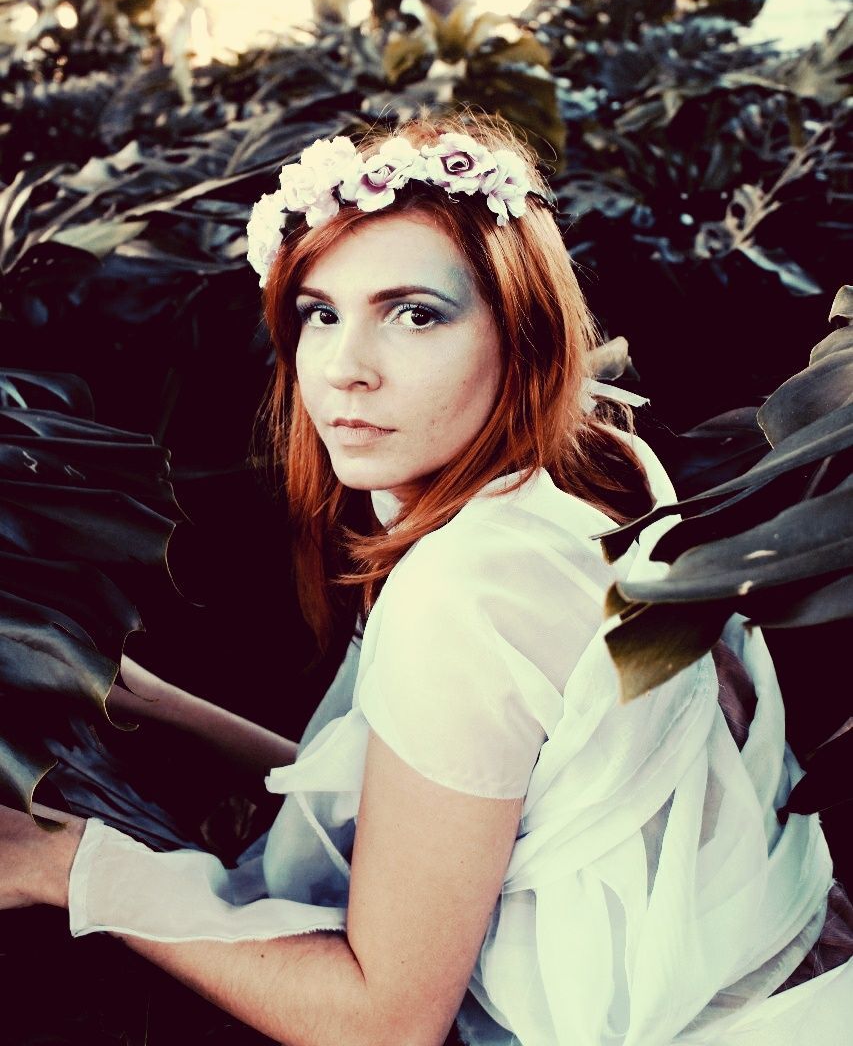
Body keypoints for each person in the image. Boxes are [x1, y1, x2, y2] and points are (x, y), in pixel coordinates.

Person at [0, 115, 850, 1046]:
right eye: (320, 312)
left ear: (519, 333)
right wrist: (156, 703)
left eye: (414, 314)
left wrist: (63, 864)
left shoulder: (468, 585)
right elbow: (445, 801)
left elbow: (385, 1021)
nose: (343, 370)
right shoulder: (599, 468)